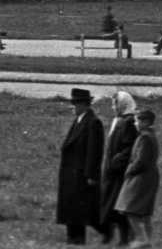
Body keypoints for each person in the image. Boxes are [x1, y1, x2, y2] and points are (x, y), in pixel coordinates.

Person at [56, 87, 105, 245]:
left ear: (84, 104)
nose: (73, 107)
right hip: (72, 174)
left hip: (81, 174)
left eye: (75, 104)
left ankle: (79, 237)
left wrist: (92, 174)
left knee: (80, 209)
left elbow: (95, 150)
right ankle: (72, 236)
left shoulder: (92, 122)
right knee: (72, 207)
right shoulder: (78, 121)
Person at [114, 108, 160, 248]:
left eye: (137, 121)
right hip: (150, 175)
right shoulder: (151, 135)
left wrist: (129, 171)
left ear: (145, 122)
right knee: (145, 211)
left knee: (130, 208)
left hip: (140, 176)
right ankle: (148, 239)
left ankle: (142, 239)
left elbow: (140, 160)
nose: (135, 124)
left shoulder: (144, 137)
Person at [99, 91, 140, 246]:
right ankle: (109, 235)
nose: (113, 107)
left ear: (123, 104)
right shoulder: (119, 120)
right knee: (109, 202)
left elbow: (130, 147)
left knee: (119, 205)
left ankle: (124, 238)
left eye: (116, 104)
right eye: (113, 104)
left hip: (119, 171)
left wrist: (116, 161)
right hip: (111, 170)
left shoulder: (129, 121)